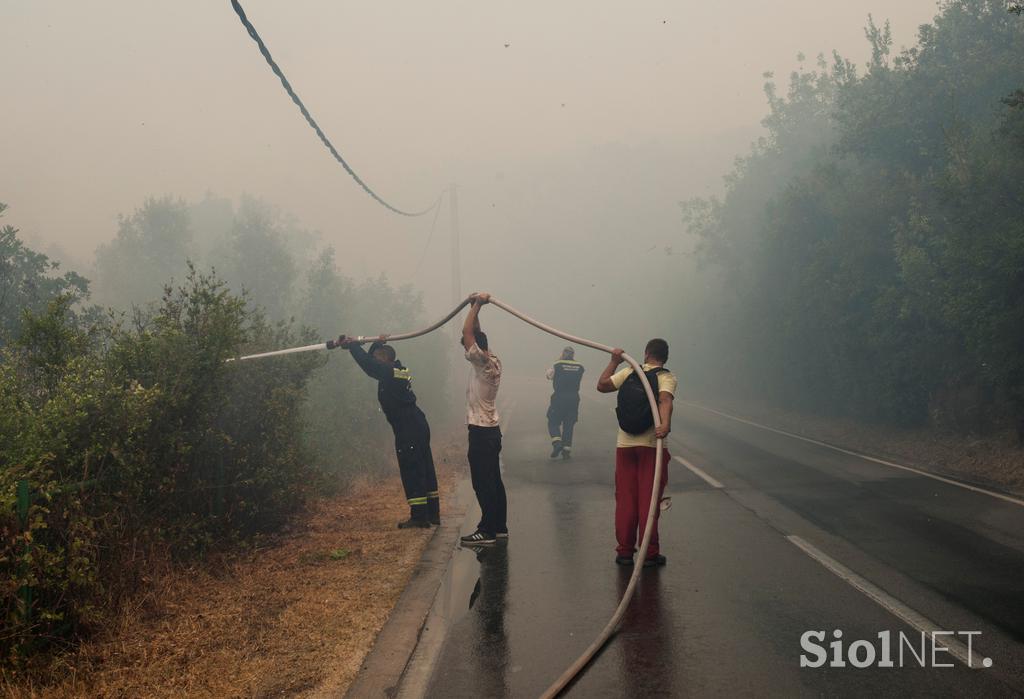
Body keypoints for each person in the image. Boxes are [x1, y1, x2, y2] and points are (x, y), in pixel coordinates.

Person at [330, 335, 440, 529]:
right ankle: (433, 514)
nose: (375, 361)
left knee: (412, 469)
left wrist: (355, 347)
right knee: (425, 467)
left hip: (408, 428)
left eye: (377, 357)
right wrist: (374, 343)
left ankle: (419, 517)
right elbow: (372, 360)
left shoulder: (387, 371)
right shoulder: (398, 369)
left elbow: (367, 364)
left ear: (385, 359)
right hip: (418, 423)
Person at [597, 338, 676, 567]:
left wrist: (613, 362)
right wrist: (665, 424)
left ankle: (624, 552)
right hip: (652, 447)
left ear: (646, 353)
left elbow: (602, 385)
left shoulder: (630, 371)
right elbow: (665, 400)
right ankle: (649, 553)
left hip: (625, 447)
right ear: (665, 356)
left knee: (626, 500)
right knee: (649, 502)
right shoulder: (666, 377)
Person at [459, 292, 507, 545]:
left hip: (481, 432)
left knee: (483, 481)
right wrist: (474, 308)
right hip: (490, 431)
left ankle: (487, 530)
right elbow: (474, 334)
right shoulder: (491, 360)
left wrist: (477, 305)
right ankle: (499, 526)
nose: (465, 349)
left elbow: (468, 334)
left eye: (467, 346)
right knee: (494, 481)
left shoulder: (483, 363)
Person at [545, 346, 585, 460]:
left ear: (563, 353)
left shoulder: (557, 364)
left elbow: (549, 376)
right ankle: (566, 450)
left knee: (552, 421)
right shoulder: (580, 366)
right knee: (569, 424)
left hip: (559, 397)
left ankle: (557, 444)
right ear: (573, 354)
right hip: (574, 398)